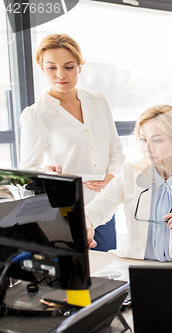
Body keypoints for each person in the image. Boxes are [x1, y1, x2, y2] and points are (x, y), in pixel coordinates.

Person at [20, 33, 125, 252]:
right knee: (77, 281)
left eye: (68, 67)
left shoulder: (97, 100)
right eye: (51, 68)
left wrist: (112, 176)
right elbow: (28, 170)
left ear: (79, 66)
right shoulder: (36, 115)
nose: (60, 75)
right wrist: (47, 173)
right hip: (68, 214)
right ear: (42, 69)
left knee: (110, 276)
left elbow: (116, 149)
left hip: (104, 207)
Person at [85, 105, 172, 263]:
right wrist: (86, 224)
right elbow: (93, 211)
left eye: (157, 140)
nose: (147, 148)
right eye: (144, 140)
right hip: (133, 265)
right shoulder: (130, 173)